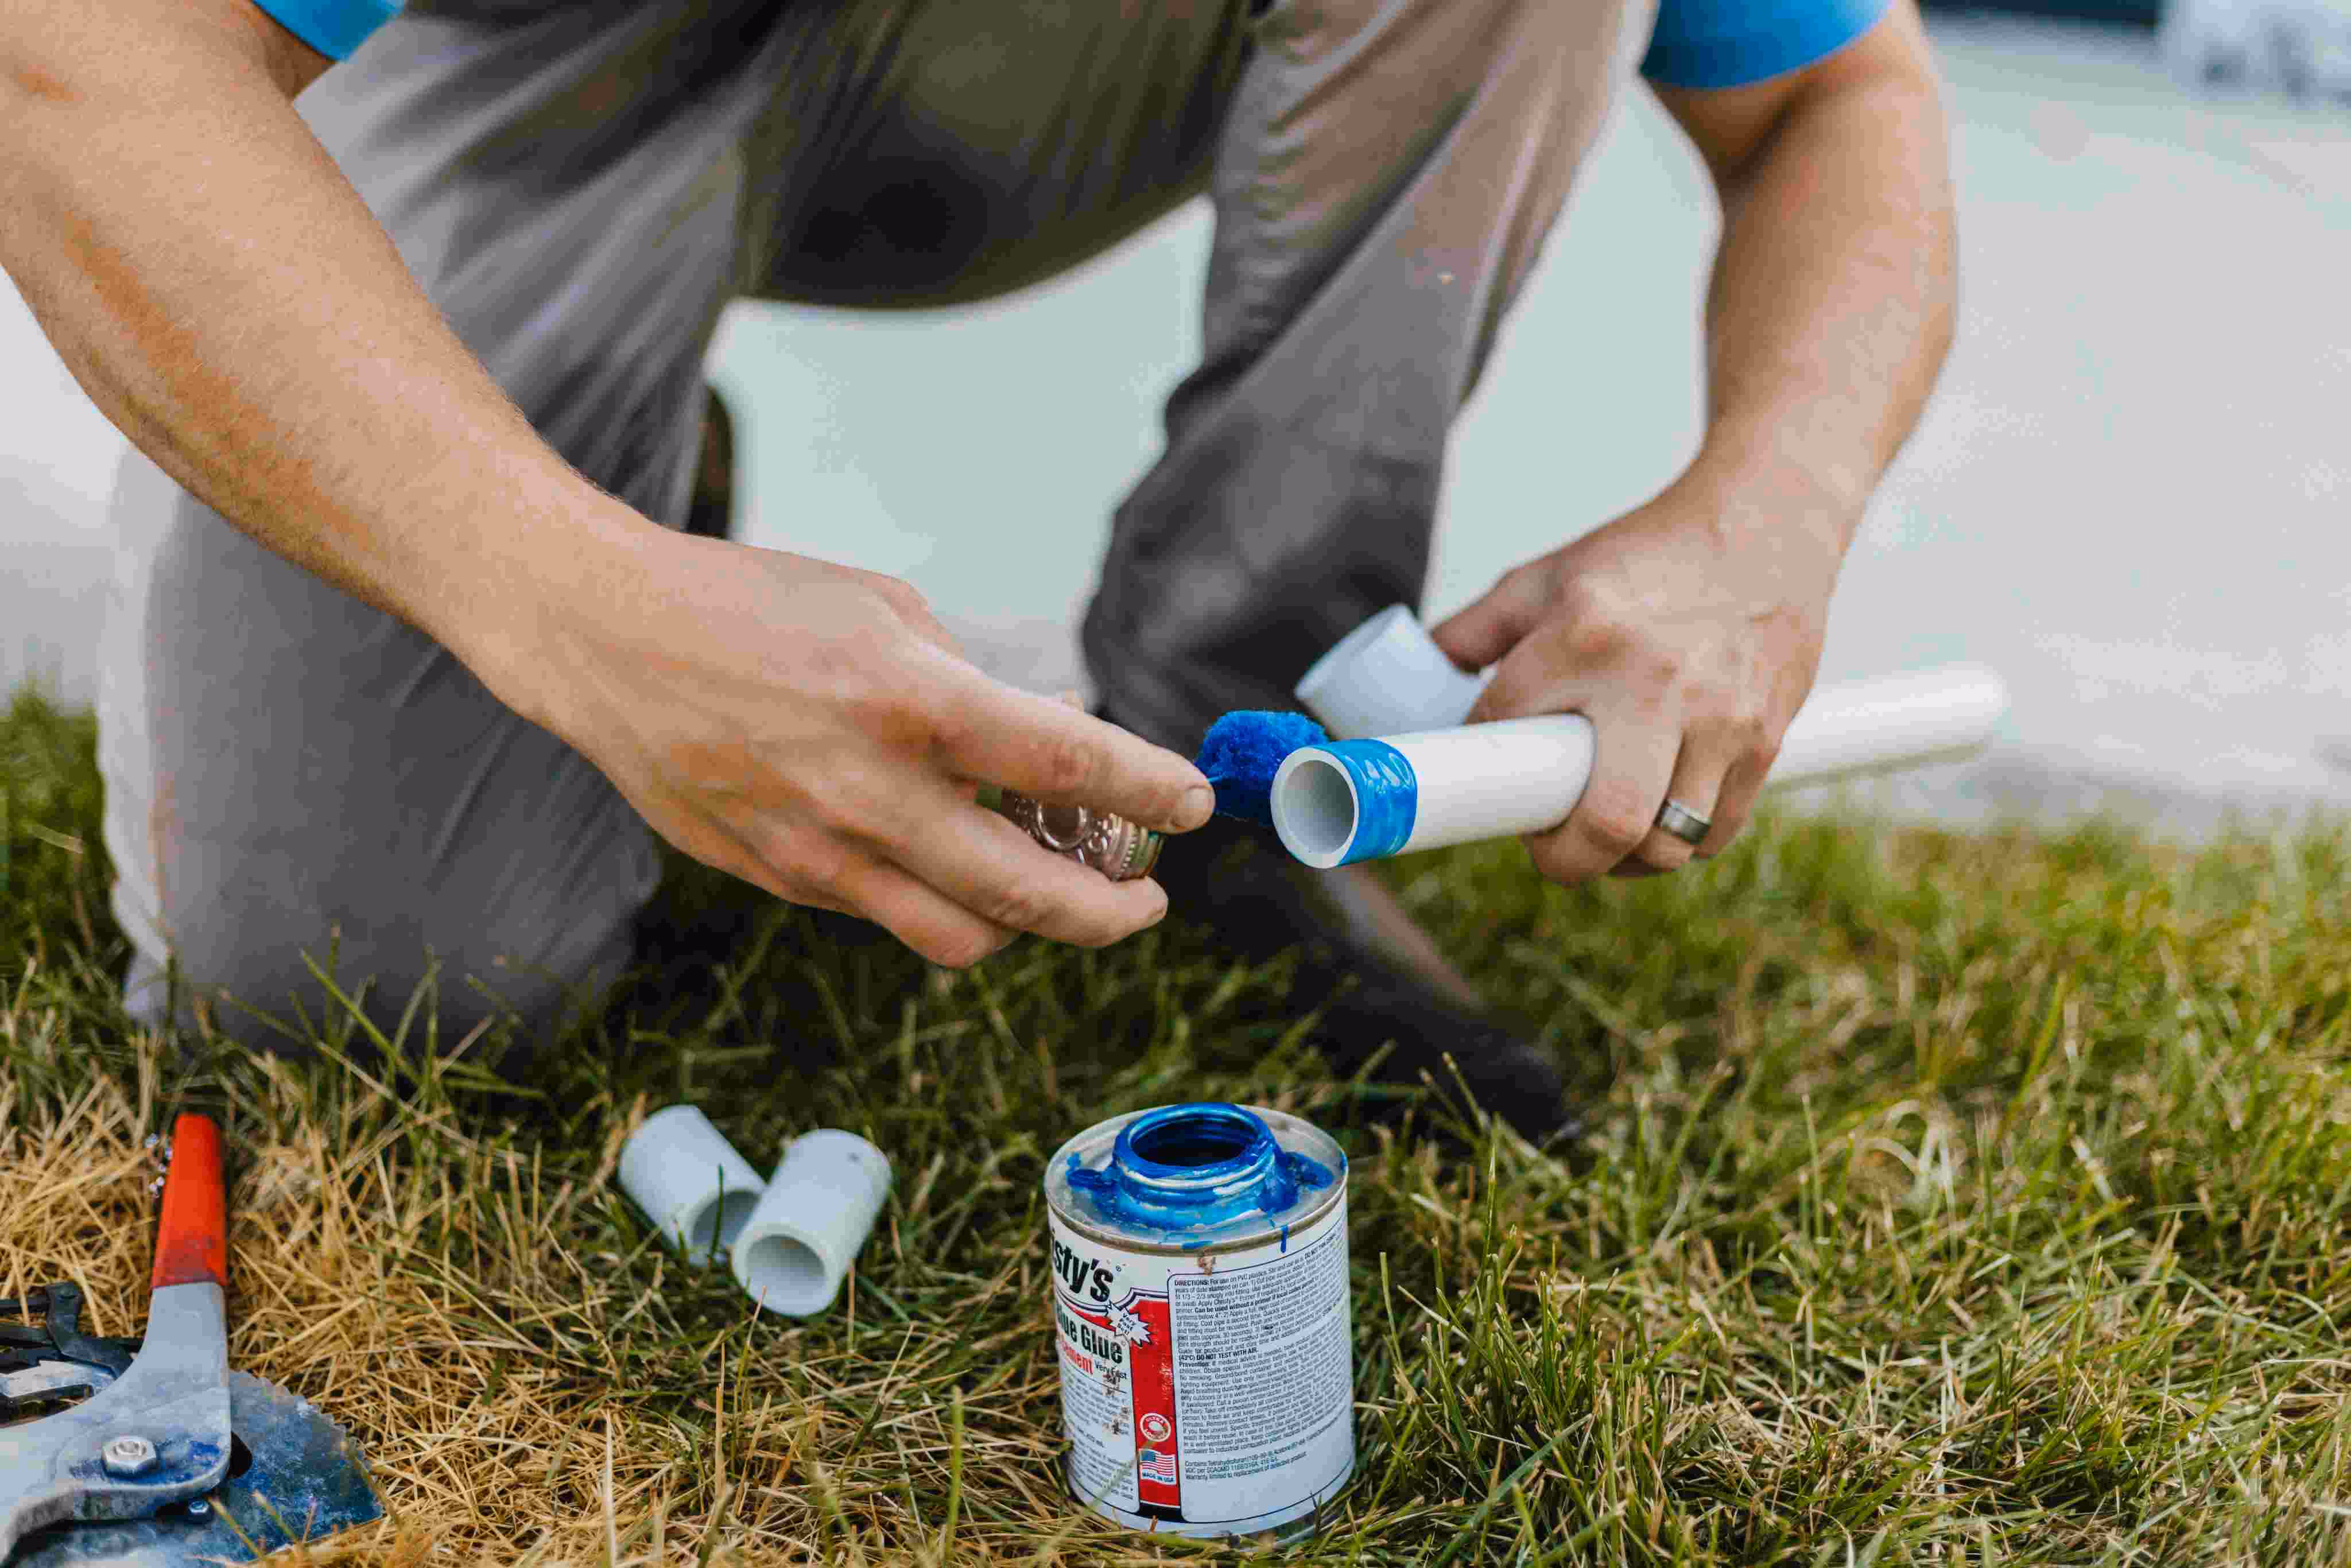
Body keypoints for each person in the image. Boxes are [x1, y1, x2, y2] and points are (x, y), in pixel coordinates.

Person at [3, 0, 1954, 1139]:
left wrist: (1759, 525)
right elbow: (70, 63)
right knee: (354, 1000)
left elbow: (1840, 100)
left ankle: (1238, 783)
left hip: (1052, 63)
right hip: (551, 61)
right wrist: (571, 597)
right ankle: (598, 474)